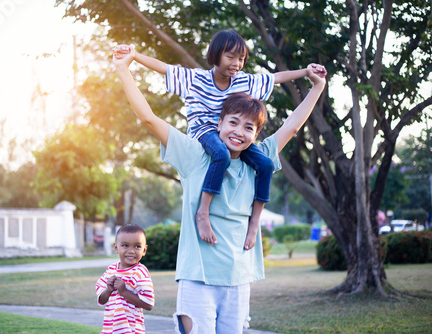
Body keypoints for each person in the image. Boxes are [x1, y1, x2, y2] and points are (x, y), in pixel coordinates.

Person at [113, 44, 326, 334]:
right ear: (219, 123)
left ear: (256, 134)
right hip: (197, 280)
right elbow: (149, 118)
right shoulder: (195, 156)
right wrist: (124, 68)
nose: (239, 132)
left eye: (249, 127)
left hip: (238, 280)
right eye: (233, 123)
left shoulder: (259, 159)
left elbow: (291, 126)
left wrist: (316, 87)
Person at [113, 30, 312, 250]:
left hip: (230, 136)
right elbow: (164, 68)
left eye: (241, 59)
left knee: (265, 163)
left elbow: (274, 78)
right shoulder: (196, 79)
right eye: (230, 56)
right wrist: (134, 56)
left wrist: (305, 72)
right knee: (221, 154)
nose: (236, 63)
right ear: (215, 55)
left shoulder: (243, 82)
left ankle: (254, 221)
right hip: (204, 132)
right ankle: (203, 211)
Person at [96, 224, 154, 334]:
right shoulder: (111, 270)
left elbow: (149, 304)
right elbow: (102, 300)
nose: (131, 251)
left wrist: (124, 292)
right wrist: (108, 290)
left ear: (144, 250)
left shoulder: (140, 272)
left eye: (137, 246)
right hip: (110, 329)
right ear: (116, 248)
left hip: (131, 330)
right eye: (125, 245)